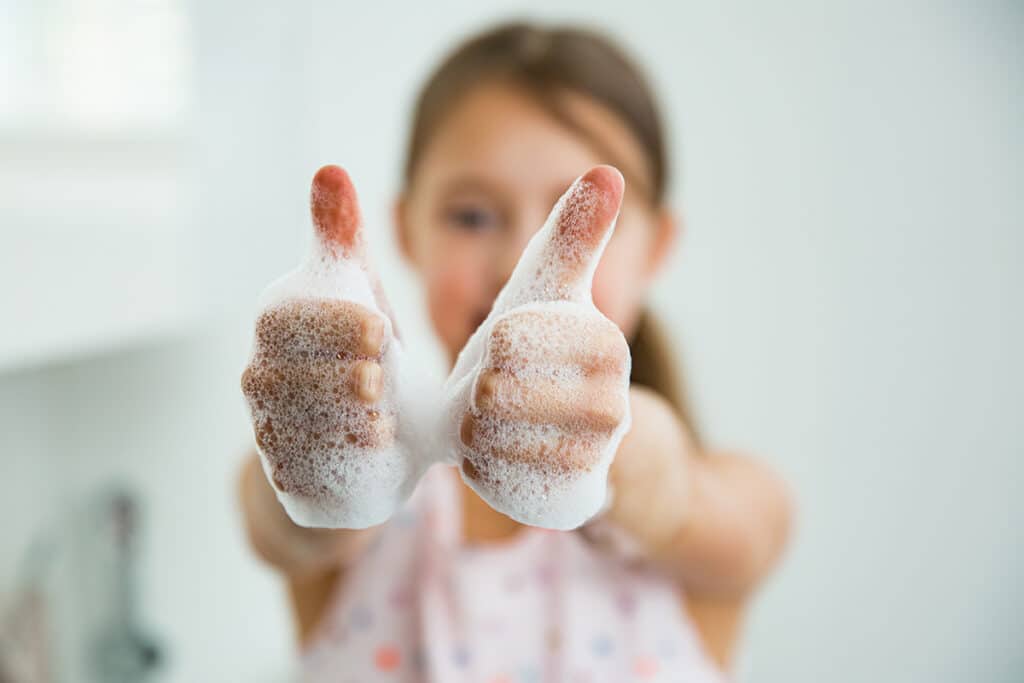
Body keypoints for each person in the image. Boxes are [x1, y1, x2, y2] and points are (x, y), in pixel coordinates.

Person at [239, 21, 792, 682]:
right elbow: (283, 523)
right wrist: (321, 452)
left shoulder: (723, 509)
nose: (516, 263)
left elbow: (698, 505)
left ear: (658, 248)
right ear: (405, 230)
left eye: (575, 222)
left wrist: (625, 455)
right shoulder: (361, 502)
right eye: (472, 215)